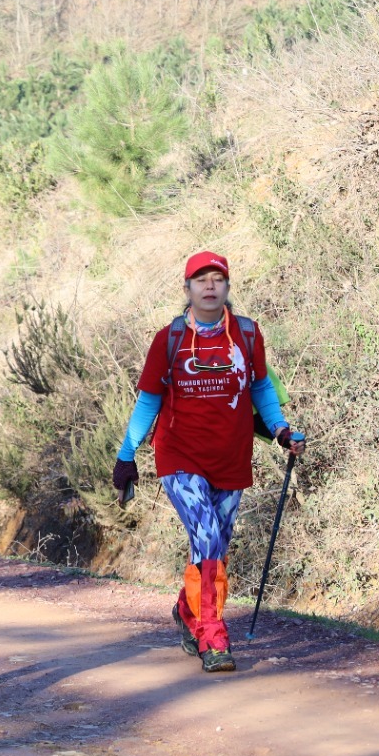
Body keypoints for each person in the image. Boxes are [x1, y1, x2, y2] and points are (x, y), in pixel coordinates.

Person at [111, 251, 304, 674]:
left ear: (228, 288)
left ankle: (187, 608)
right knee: (209, 538)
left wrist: (282, 429)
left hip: (231, 457)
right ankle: (213, 637)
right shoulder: (170, 339)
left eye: (218, 278)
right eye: (201, 279)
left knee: (215, 544)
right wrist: (127, 454)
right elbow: (148, 401)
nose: (210, 286)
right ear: (188, 289)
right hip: (180, 455)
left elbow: (261, 390)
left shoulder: (248, 336)